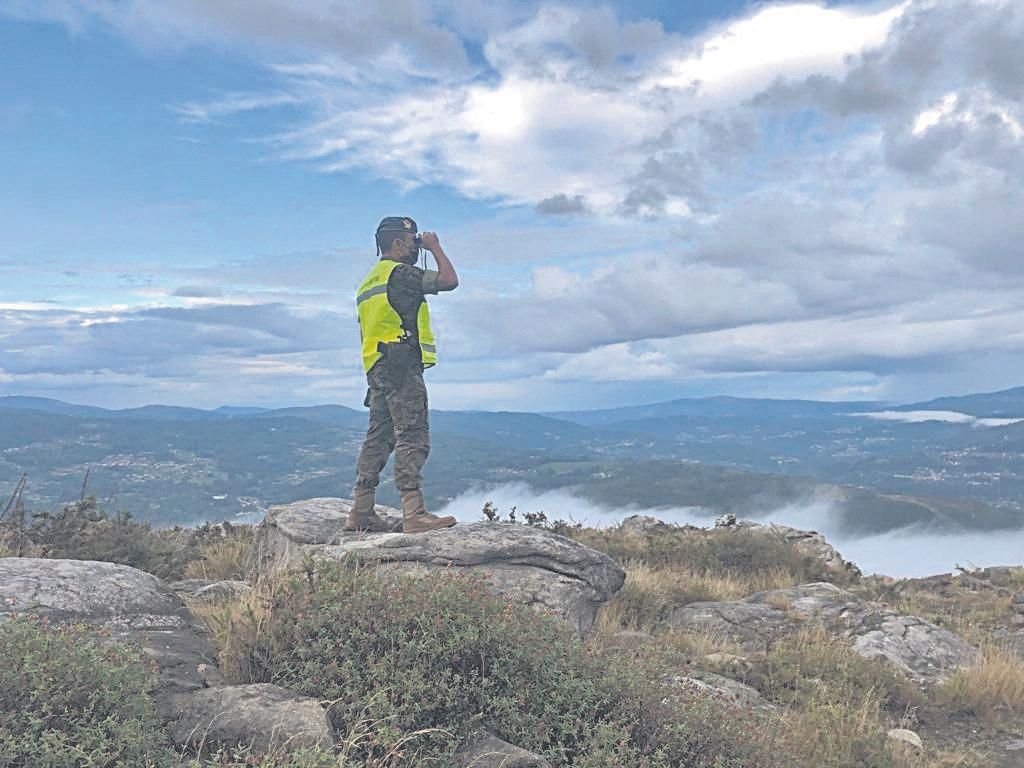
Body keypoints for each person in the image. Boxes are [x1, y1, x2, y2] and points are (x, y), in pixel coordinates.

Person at [345, 216, 459, 534]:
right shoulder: (400, 274)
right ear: (397, 244)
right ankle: (414, 513)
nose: (415, 248)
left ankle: (361, 510)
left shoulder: (369, 282)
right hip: (401, 363)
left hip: (377, 366)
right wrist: (435, 247)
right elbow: (450, 280)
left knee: (378, 438)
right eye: (412, 243)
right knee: (412, 434)